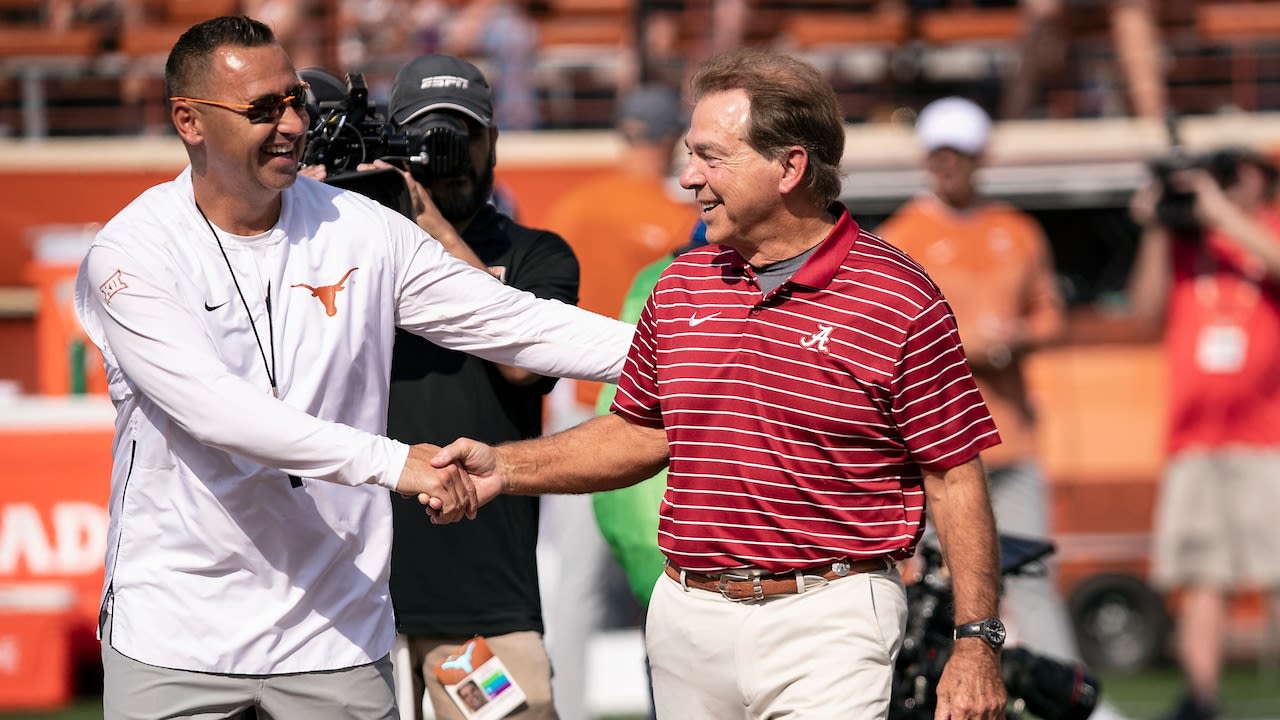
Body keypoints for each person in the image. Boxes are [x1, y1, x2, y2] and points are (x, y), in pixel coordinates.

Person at [72, 16, 633, 719]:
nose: (290, 125)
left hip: (336, 629)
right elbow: (217, 411)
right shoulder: (130, 253)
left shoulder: (363, 230)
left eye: (295, 101)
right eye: (261, 109)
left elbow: (515, 323)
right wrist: (398, 463)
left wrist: (698, 350)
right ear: (187, 119)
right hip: (176, 631)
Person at [430, 47, 1008, 719]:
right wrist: (501, 466)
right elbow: (640, 434)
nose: (687, 178)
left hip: (830, 617)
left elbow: (955, 476)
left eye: (711, 156)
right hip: (687, 619)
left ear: (790, 166)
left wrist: (976, 645)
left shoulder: (896, 296)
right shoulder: (679, 285)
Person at [876, 96, 1133, 720]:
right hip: (932, 442)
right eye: (938, 153)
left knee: (1032, 577)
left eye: (958, 154)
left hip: (1010, 437)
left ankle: (1064, 702)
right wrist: (965, 346)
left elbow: (1050, 311)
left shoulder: (1018, 231)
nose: (947, 165)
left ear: (979, 158)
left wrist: (1013, 339)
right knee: (923, 586)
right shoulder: (899, 238)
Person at [380, 54, 572, 720]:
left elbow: (526, 363)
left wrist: (431, 228)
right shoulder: (345, 252)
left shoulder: (538, 255)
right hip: (346, 609)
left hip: (478, 611)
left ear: (494, 140)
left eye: (464, 134)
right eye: (428, 135)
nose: (449, 154)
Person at [1127, 146, 1280, 720]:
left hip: (1268, 438)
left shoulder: (1263, 228)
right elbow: (1144, 314)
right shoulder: (1187, 244)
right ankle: (1201, 697)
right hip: (1195, 441)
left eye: (1232, 173)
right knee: (1202, 574)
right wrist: (1155, 229)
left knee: (1276, 570)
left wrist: (1220, 212)